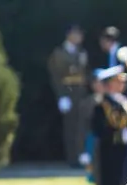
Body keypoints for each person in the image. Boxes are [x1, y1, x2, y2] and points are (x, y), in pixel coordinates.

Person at [90, 66, 127, 185]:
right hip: (108, 152)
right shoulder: (102, 105)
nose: (122, 84)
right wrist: (117, 135)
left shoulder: (124, 102)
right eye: (118, 81)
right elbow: (98, 129)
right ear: (109, 84)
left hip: (123, 151)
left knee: (122, 182)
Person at [47, 24, 91, 167]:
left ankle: (80, 156)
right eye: (76, 34)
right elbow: (56, 76)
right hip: (68, 93)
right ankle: (72, 159)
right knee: (70, 127)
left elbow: (84, 74)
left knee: (81, 126)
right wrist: (61, 96)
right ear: (69, 35)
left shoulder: (81, 52)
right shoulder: (59, 53)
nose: (80, 37)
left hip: (80, 93)